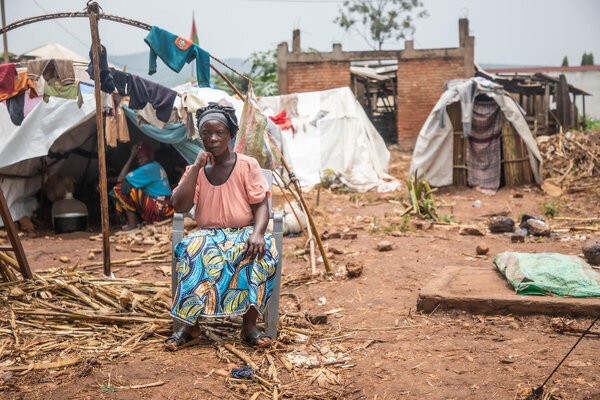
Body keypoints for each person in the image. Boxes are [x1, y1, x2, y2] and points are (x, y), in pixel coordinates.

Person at [165, 103, 279, 350]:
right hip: (209, 234)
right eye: (207, 133)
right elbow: (180, 205)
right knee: (192, 249)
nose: (213, 138)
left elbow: (261, 206)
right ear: (200, 136)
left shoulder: (247, 165)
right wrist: (196, 168)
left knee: (261, 251)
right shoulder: (195, 170)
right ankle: (190, 326)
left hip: (244, 231)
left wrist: (259, 233)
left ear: (230, 135)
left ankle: (249, 327)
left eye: (220, 133)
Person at [110, 142, 174, 231]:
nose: (139, 160)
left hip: (160, 211)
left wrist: (131, 157)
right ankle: (132, 223)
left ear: (150, 156)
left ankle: (133, 225)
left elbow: (120, 179)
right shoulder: (155, 165)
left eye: (142, 157)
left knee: (121, 188)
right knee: (131, 189)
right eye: (137, 158)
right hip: (166, 210)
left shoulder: (149, 168)